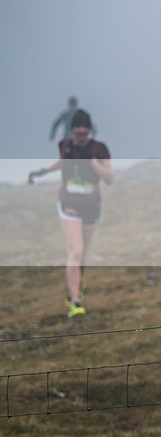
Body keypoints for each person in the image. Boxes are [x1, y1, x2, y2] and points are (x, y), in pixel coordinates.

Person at [29, 109, 113, 318]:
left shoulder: (99, 148)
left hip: (92, 206)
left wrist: (95, 165)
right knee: (75, 250)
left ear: (89, 128)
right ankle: (75, 301)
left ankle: (77, 284)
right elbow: (61, 161)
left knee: (83, 252)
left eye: (85, 126)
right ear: (73, 128)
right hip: (68, 203)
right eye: (78, 126)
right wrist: (42, 171)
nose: (81, 130)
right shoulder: (65, 145)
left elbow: (110, 177)